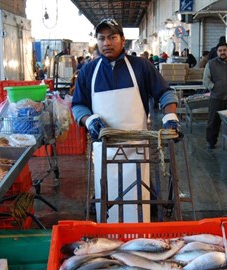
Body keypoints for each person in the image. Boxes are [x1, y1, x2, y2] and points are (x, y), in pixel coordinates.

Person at [71, 18, 181, 223]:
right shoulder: (88, 71)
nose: (107, 43)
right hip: (105, 151)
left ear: (122, 40)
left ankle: (139, 239)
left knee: (139, 204)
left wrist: (171, 117)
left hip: (138, 150)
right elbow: (78, 106)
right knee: (108, 204)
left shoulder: (141, 67)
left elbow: (165, 94)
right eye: (102, 38)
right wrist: (89, 121)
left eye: (112, 37)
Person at [203, 42, 227, 149]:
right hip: (216, 98)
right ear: (217, 52)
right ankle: (211, 141)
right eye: (220, 51)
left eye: (224, 50)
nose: (222, 52)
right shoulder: (211, 63)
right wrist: (214, 87)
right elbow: (206, 80)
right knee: (213, 122)